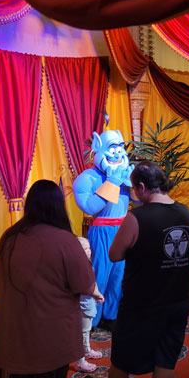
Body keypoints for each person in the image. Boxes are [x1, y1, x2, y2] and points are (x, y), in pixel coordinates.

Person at [84, 161, 189, 378]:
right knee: (166, 359)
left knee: (124, 355)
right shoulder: (186, 212)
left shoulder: (137, 218)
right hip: (178, 299)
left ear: (142, 187)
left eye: (134, 188)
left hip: (142, 303)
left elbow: (114, 254)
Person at [0, 180, 100, 378]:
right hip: (53, 333)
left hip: (17, 330)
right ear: (58, 206)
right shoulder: (65, 240)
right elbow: (85, 284)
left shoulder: (9, 237)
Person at [73, 129, 134, 329]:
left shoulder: (126, 174)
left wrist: (133, 183)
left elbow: (139, 202)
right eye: (111, 148)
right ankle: (92, 318)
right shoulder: (86, 178)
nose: (117, 153)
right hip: (102, 231)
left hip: (123, 228)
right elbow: (90, 207)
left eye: (120, 148)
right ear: (98, 148)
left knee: (118, 275)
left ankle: (111, 315)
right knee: (99, 275)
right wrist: (112, 182)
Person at [76, 237, 105, 373]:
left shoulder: (87, 263)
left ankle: (87, 351)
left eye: (89, 248)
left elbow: (92, 283)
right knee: (82, 333)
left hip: (88, 302)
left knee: (86, 331)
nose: (88, 251)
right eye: (84, 249)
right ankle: (80, 361)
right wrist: (97, 294)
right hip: (83, 305)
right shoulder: (78, 266)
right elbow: (86, 286)